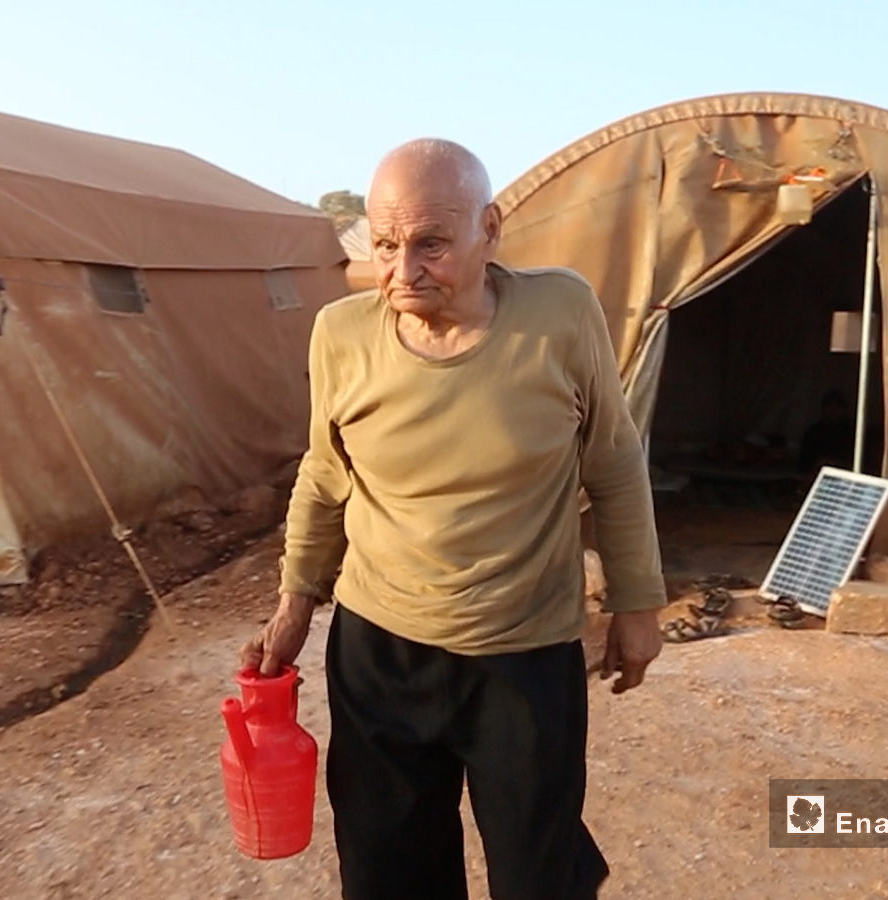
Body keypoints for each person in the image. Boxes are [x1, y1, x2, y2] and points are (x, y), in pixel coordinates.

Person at [241, 139, 668, 900]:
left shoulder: (561, 313)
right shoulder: (341, 335)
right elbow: (324, 475)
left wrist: (639, 603)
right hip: (381, 654)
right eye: (384, 245)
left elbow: (613, 459)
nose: (403, 271)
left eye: (430, 243)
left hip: (525, 655)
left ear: (490, 229)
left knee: (540, 875)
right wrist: (294, 603)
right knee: (388, 873)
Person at [798, 389, 856, 475]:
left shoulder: (852, 432)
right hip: (817, 475)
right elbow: (804, 462)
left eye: (836, 408)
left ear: (843, 410)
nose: (833, 412)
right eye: (830, 408)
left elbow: (854, 459)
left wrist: (836, 463)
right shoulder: (813, 433)